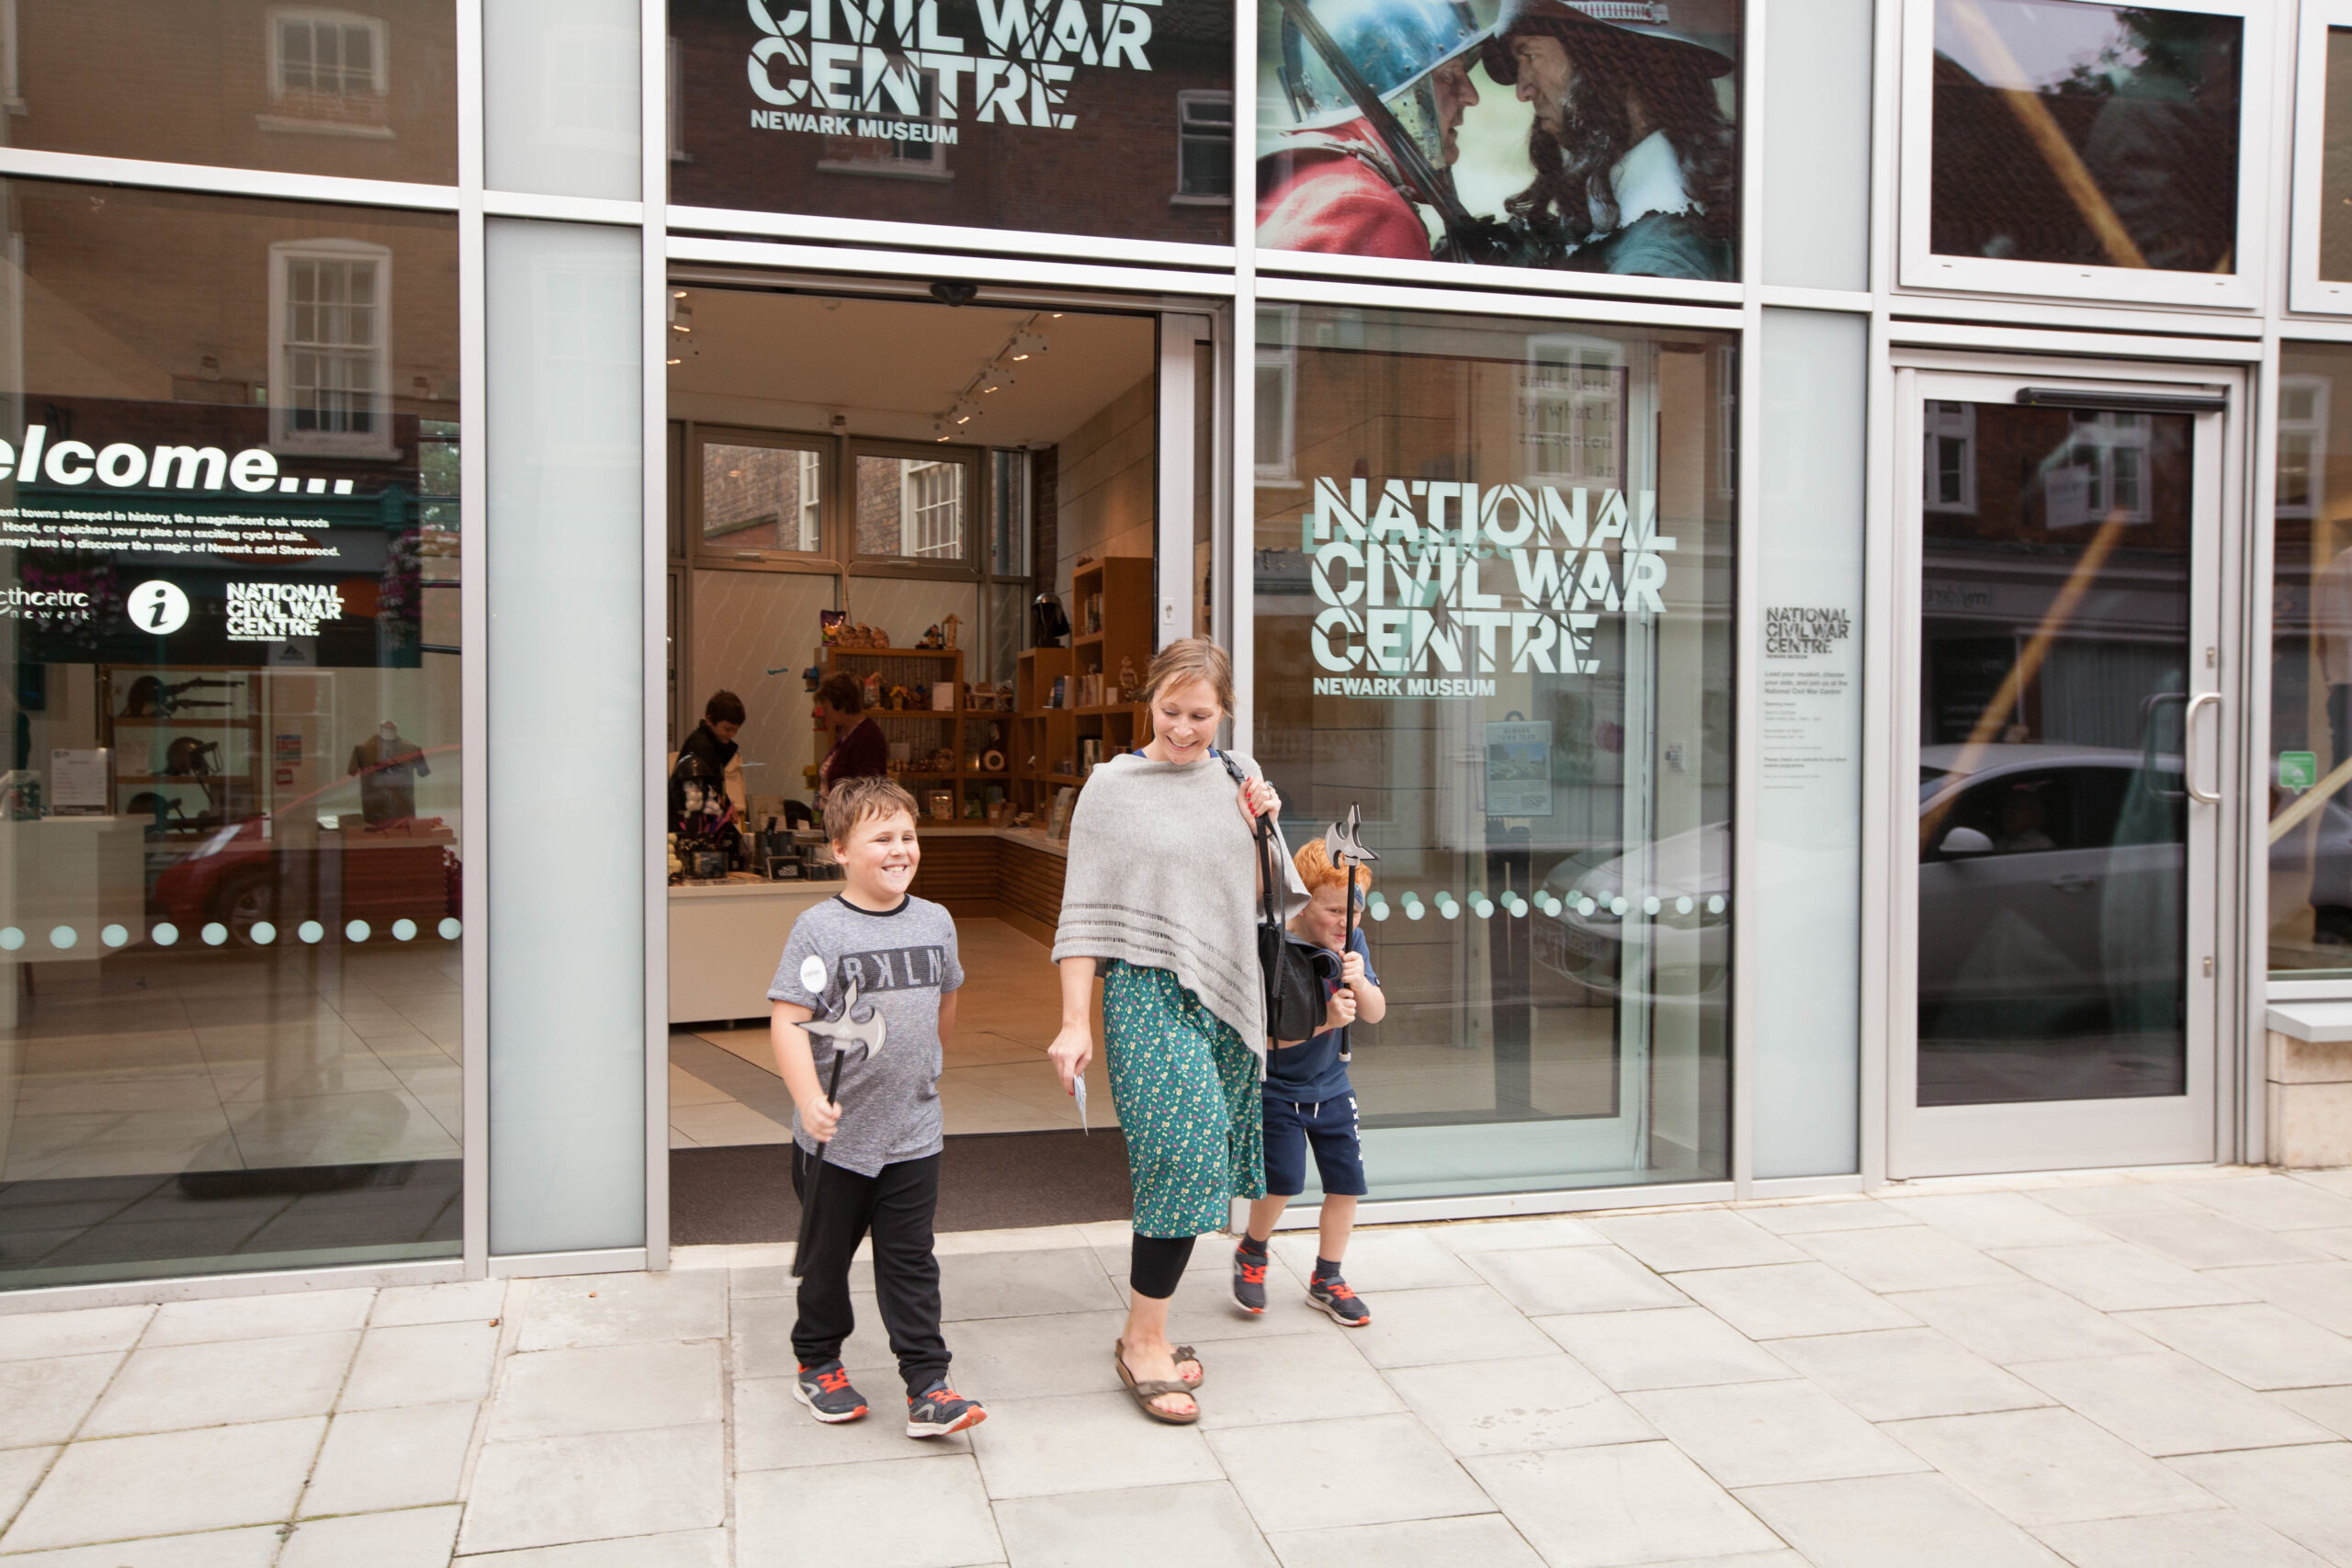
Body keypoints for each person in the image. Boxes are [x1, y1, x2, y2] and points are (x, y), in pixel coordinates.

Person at [1049, 637, 1307, 1424]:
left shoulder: (1239, 778)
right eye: (1171, 711)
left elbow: (1271, 900)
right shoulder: (1111, 787)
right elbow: (1082, 914)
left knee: (1201, 1168)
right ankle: (1144, 1339)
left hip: (1225, 998)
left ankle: (1145, 1326)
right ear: (1149, 701)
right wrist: (1073, 1021)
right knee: (1181, 1153)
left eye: (1202, 714)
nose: (1185, 729)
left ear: (1224, 710)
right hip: (1144, 992)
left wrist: (1265, 826)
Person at [767, 774, 986, 1439]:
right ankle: (819, 1360)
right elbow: (786, 1019)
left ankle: (928, 1383)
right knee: (827, 1257)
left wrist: (928, 1064)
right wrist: (808, 1099)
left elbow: (946, 998)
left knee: (910, 1256)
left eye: (908, 836)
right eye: (881, 837)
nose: (900, 849)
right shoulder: (820, 929)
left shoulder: (935, 921)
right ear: (839, 848)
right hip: (838, 1140)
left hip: (915, 1131)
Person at [1235, 837, 1387, 1325]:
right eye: (1332, 911)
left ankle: (1327, 1277)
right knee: (1281, 1182)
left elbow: (1377, 1014)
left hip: (1333, 1084)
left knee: (1346, 1183)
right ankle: (1253, 1251)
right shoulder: (1272, 944)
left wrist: (1360, 984)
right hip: (1276, 1087)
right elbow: (1257, 1039)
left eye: (1355, 913)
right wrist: (1324, 1021)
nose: (1344, 924)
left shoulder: (1350, 942)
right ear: (1303, 899)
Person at [1484, 0, 1737, 281]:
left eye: (1530, 56)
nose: (1523, 91)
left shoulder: (1654, 263)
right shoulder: (1648, 209)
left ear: (1604, 63)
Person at [1256, 0, 1487, 261]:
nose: (1471, 96)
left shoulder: (1317, 174)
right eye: (1447, 75)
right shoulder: (1364, 208)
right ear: (1395, 89)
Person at [671, 690, 746, 832]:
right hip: (690, 821)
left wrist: (727, 805)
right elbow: (705, 789)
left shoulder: (712, 744)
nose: (732, 735)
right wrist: (724, 807)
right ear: (710, 720)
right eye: (728, 729)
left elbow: (714, 785)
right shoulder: (700, 746)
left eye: (736, 730)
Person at [816, 671, 888, 803]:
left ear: (841, 705)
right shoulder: (845, 733)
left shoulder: (867, 736)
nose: (824, 714)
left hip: (850, 819)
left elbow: (866, 790)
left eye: (826, 708)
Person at [348, 719, 430, 826]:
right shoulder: (362, 750)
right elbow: (352, 772)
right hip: (374, 817)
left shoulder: (412, 749)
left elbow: (423, 772)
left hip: (404, 817)